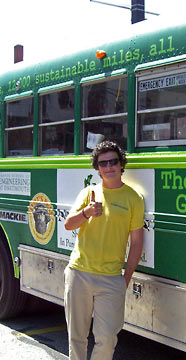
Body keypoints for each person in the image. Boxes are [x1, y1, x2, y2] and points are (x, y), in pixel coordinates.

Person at [64, 140, 144, 360]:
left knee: (107, 338)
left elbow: (137, 242)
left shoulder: (133, 198)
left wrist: (125, 278)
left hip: (111, 279)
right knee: (77, 337)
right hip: (79, 273)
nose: (109, 167)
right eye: (103, 163)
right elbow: (68, 224)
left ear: (121, 164)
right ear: (97, 168)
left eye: (113, 162)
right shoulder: (88, 193)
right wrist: (87, 213)